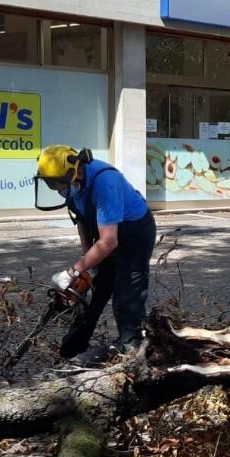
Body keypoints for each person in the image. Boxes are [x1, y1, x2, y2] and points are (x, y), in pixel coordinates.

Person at [34, 145, 156, 366]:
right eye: (50, 183)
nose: (56, 188)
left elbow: (109, 241)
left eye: (57, 182)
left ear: (75, 170)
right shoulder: (70, 184)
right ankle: (72, 348)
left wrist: (72, 270)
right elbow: (82, 219)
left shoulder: (105, 182)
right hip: (104, 232)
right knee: (90, 292)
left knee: (126, 292)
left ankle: (132, 349)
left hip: (134, 233)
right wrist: (87, 263)